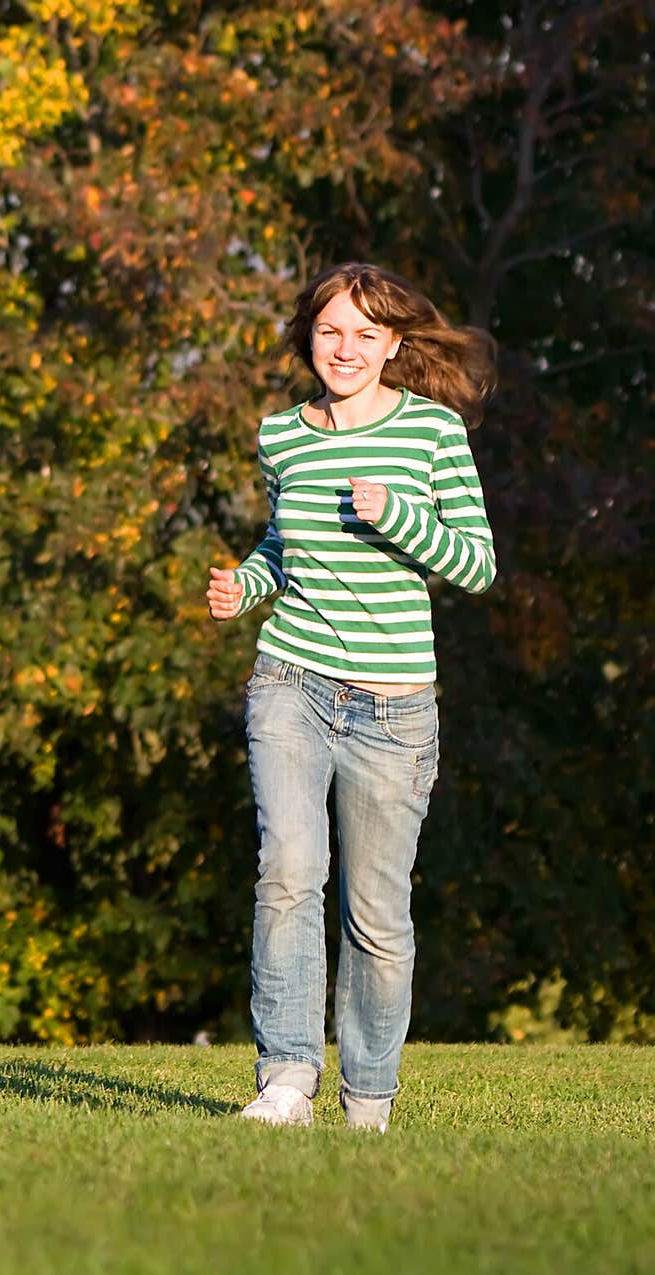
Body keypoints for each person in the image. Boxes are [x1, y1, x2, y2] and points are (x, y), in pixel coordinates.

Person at [206, 261, 497, 1132]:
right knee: (288, 876)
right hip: (289, 682)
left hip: (395, 708)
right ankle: (287, 1079)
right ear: (309, 338)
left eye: (366, 334)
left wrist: (395, 516)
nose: (346, 348)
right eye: (331, 331)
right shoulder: (282, 436)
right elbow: (283, 545)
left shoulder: (434, 433)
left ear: (395, 344)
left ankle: (368, 1099)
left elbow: (477, 566)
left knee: (377, 914)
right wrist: (246, 586)